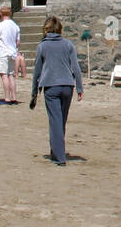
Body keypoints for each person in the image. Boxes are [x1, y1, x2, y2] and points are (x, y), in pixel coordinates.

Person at [29, 16, 83, 166]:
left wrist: (34, 93)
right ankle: (56, 150)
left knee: (55, 121)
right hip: (67, 86)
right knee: (61, 121)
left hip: (51, 87)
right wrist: (79, 87)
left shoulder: (42, 46)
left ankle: (59, 157)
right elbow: (76, 69)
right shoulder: (68, 45)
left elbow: (37, 71)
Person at [0, 5, 21, 104]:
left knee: (4, 75)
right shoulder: (15, 26)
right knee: (11, 75)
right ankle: (13, 97)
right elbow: (18, 42)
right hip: (12, 52)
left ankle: (7, 98)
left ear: (1, 13)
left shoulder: (0, 26)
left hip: (3, 52)